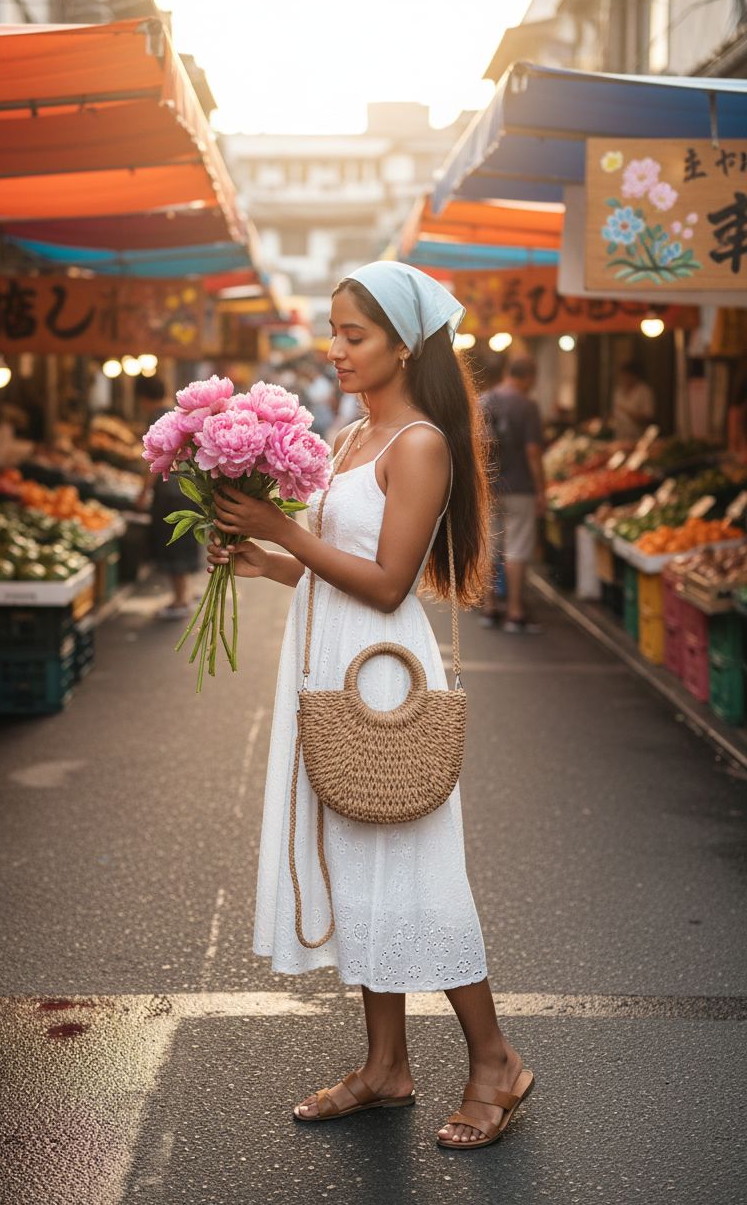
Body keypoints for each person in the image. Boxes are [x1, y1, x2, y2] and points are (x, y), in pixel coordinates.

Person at [205, 261, 535, 1150]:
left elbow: (388, 585)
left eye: (355, 334)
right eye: (336, 330)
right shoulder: (353, 436)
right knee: (361, 872)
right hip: (329, 663)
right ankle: (387, 1066)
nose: (337, 348)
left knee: (420, 877)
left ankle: (494, 1060)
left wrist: (285, 532)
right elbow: (330, 564)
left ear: (405, 343)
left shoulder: (419, 442)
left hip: (384, 675)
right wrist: (258, 556)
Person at [480, 356, 546, 633]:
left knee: (489, 544)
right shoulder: (527, 405)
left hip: (488, 485)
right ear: (529, 377)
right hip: (519, 487)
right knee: (517, 548)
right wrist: (542, 489)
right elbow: (533, 452)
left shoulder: (483, 401)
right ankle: (515, 612)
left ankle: (489, 606)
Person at [136, 376, 202, 619]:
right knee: (183, 541)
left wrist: (143, 492)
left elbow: (154, 459)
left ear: (142, 398)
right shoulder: (175, 415)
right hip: (187, 488)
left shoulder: (157, 419)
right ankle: (185, 593)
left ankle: (180, 599)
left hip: (170, 492)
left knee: (174, 543)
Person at [610, 359, 655, 443]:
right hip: (619, 437)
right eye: (623, 375)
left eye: (627, 375)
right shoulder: (618, 391)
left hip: (638, 438)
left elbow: (648, 416)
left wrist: (627, 411)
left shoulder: (644, 391)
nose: (624, 378)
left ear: (634, 376)